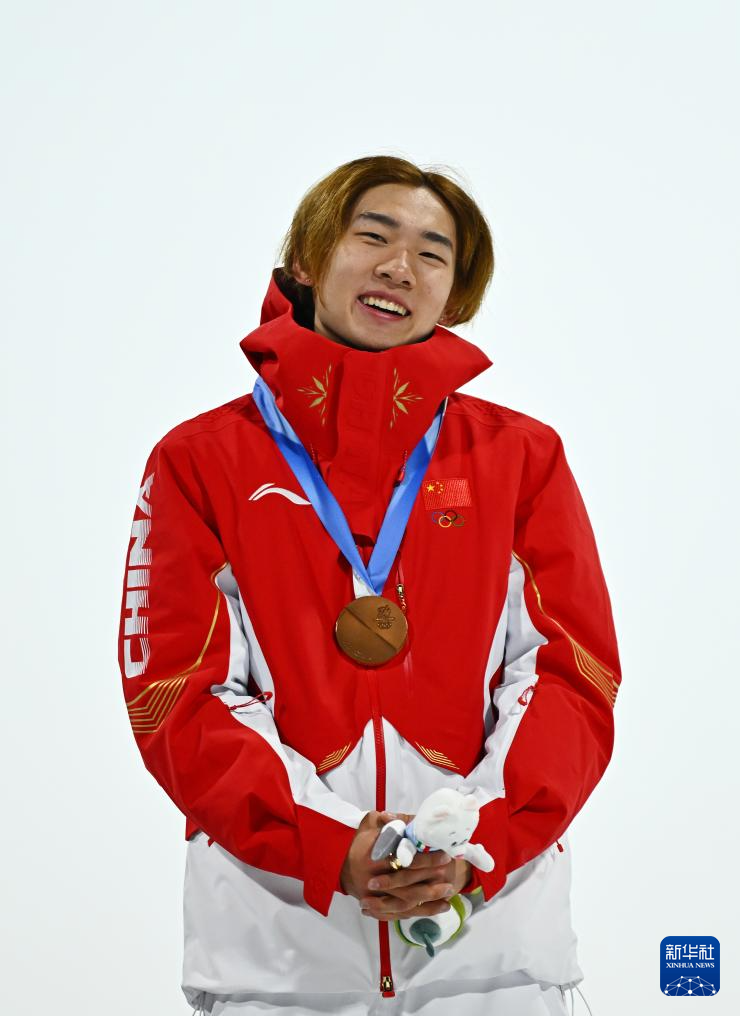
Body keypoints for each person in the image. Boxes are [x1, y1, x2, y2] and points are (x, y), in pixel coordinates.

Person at [117, 155, 621, 1015]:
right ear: (307, 258)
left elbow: (571, 677)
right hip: (278, 960)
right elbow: (179, 696)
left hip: (491, 955)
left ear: (454, 297)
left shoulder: (519, 458)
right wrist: (330, 843)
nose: (400, 267)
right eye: (373, 236)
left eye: (433, 253)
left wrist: (476, 841)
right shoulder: (200, 462)